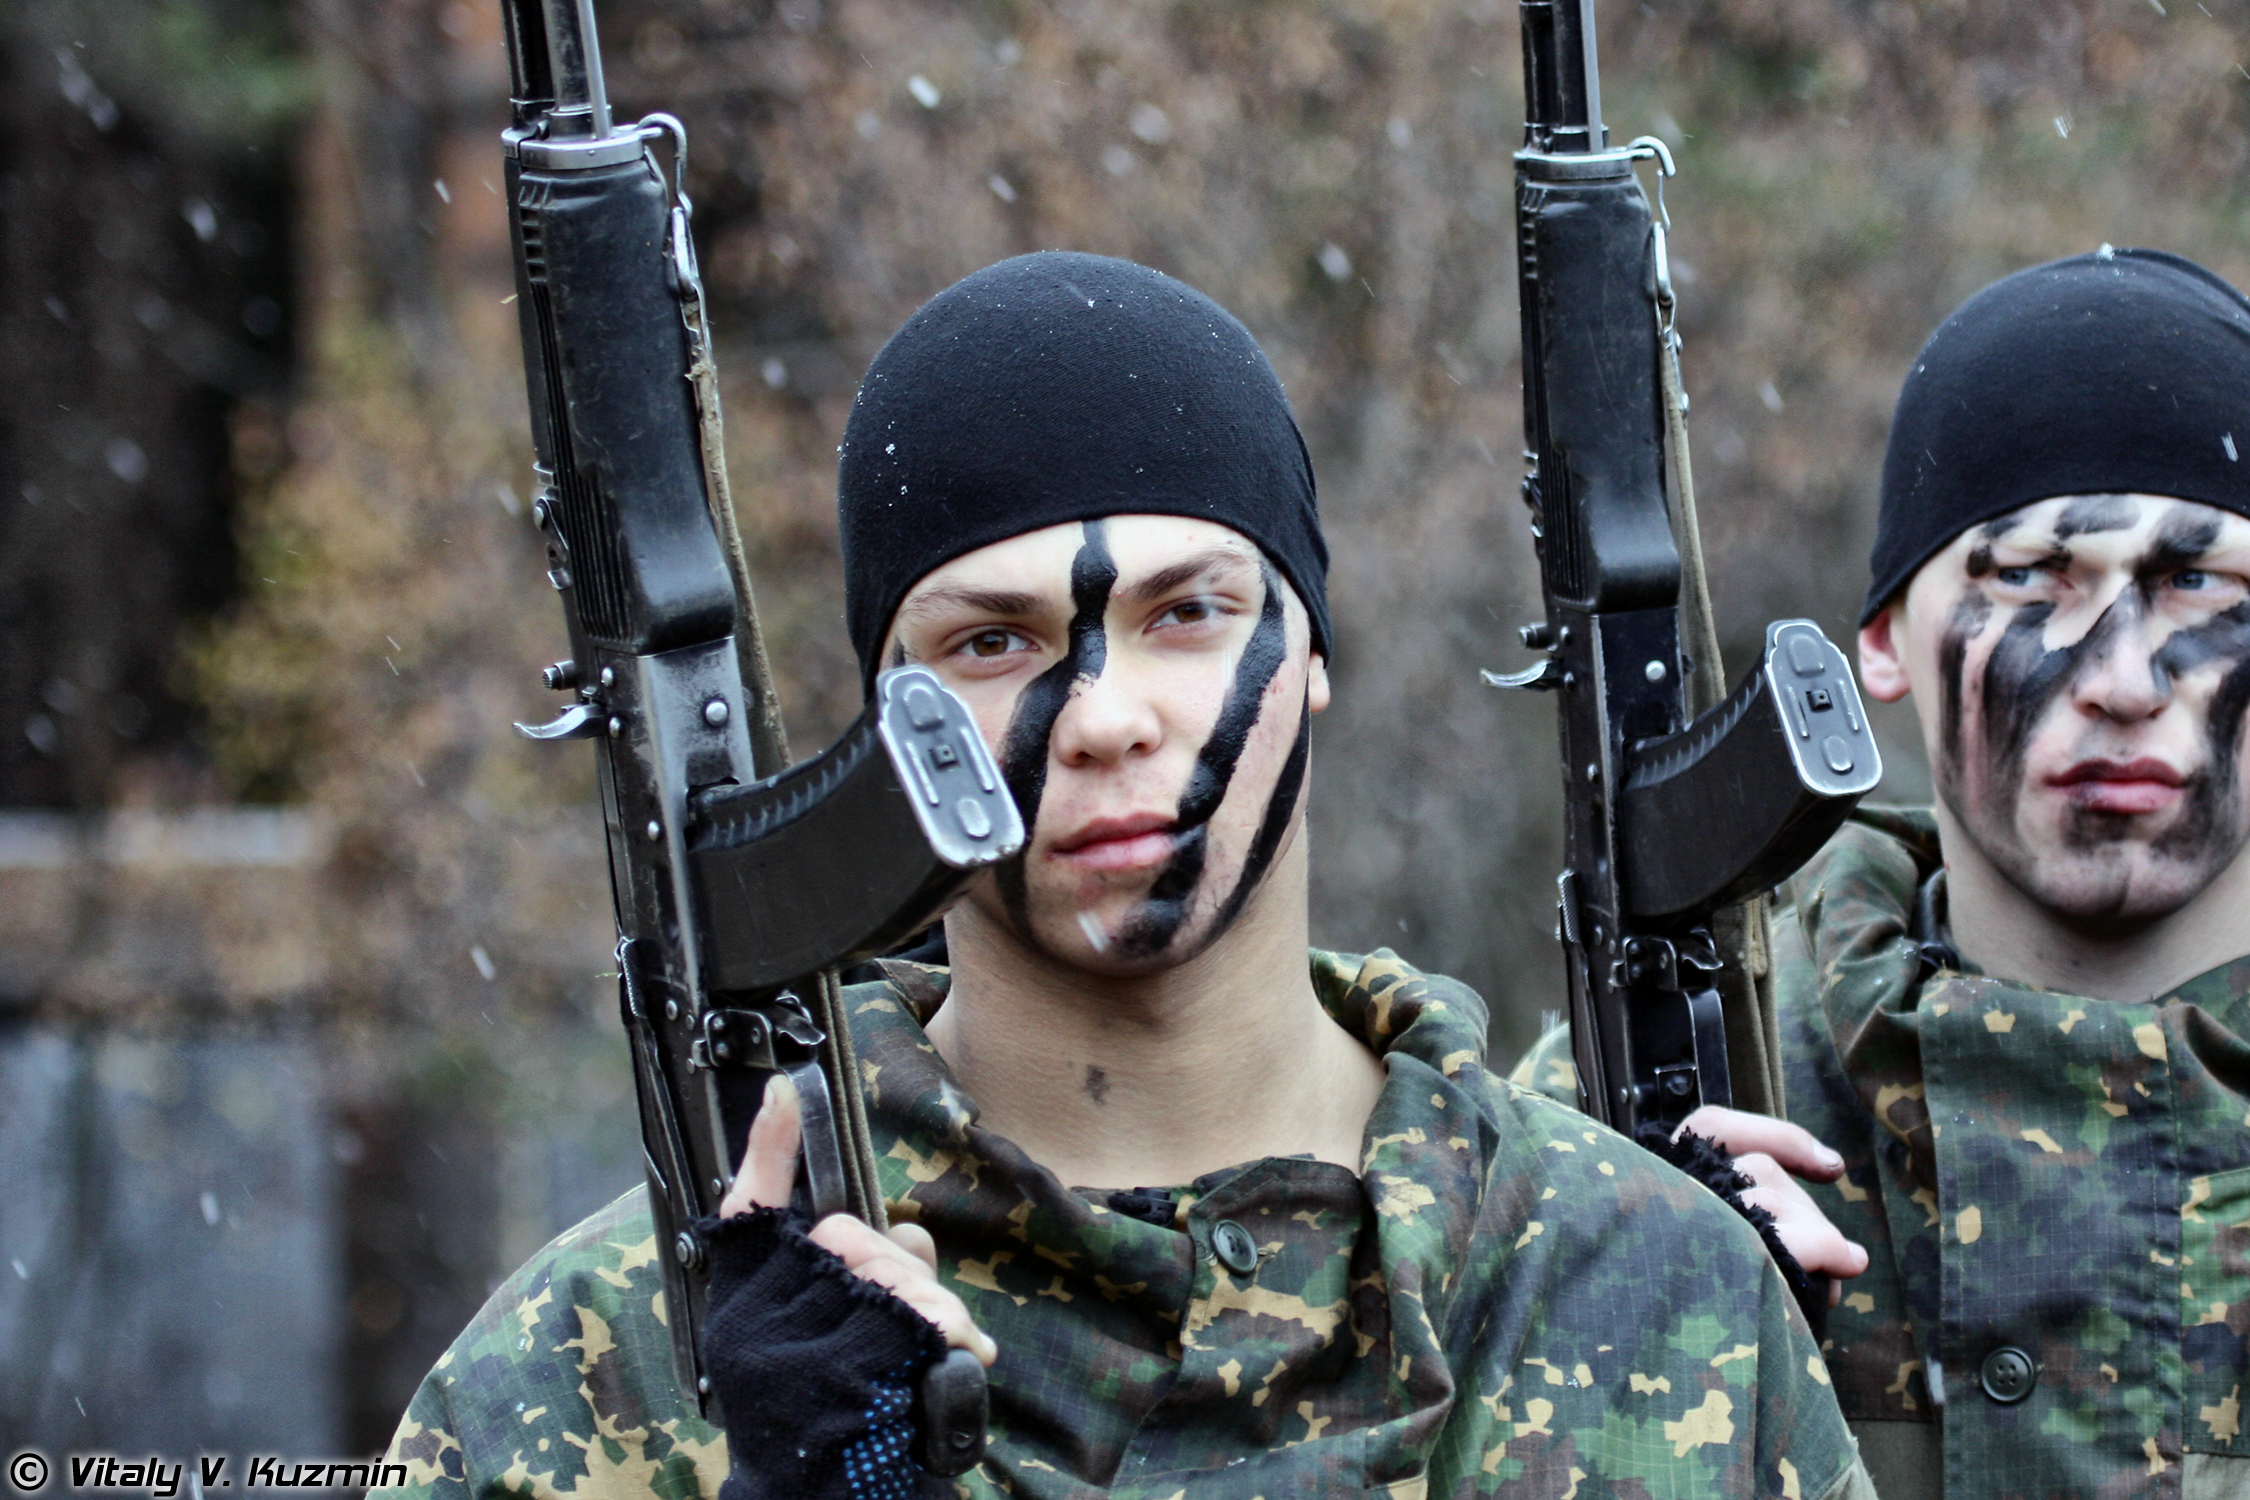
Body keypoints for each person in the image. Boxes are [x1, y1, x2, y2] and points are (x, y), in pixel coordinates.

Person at [375, 252, 1867, 1499]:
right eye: (990, 643)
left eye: (1189, 611)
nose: (1103, 717)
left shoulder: (1657, 1287)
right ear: (882, 732)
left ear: (1312, 656)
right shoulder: (620, 1352)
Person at [1517, 246, 2250, 1498]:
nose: (2125, 681)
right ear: (1882, 642)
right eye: (2028, 578)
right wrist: (1661, 1372)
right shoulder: (1635, 1117)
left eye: (2197, 583)